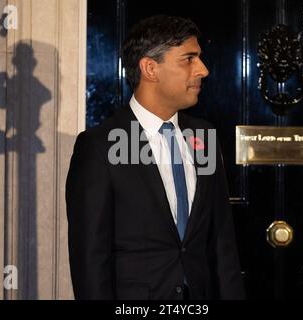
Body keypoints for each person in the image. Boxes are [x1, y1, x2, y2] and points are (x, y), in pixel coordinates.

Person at [66, 15, 245, 300]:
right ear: (150, 68)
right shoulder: (98, 146)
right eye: (189, 59)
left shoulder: (205, 135)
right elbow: (90, 258)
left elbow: (222, 242)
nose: (203, 70)